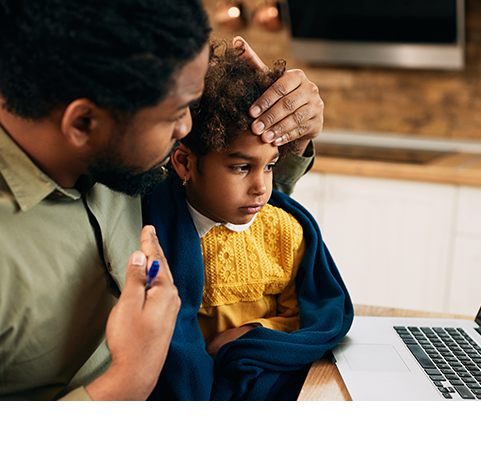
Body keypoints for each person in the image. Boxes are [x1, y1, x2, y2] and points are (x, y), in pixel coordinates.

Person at [0, 0, 325, 401]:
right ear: (82, 123)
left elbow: (227, 196)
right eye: (176, 114)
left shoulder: (117, 156)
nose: (187, 130)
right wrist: (125, 383)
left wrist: (286, 133)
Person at [143, 43, 352, 400]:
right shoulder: (152, 235)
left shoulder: (285, 233)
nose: (262, 186)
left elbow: (302, 315)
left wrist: (252, 334)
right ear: (183, 163)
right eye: (241, 167)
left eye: (270, 165)